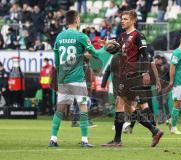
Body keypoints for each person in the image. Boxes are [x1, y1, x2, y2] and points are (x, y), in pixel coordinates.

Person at [101, 10, 163, 147]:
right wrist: (106, 46)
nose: (122, 21)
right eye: (122, 18)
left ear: (133, 20)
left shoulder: (138, 35)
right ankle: (154, 131)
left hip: (132, 75)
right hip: (123, 76)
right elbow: (116, 52)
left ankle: (117, 140)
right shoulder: (122, 36)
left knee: (119, 103)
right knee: (128, 109)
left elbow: (145, 55)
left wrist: (146, 73)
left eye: (126, 19)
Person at [48, 10, 109, 148]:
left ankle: (53, 139)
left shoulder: (59, 37)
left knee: (60, 109)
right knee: (83, 108)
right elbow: (96, 53)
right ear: (76, 20)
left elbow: (57, 61)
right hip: (77, 78)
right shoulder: (81, 36)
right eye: (79, 18)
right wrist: (105, 47)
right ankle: (84, 141)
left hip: (63, 78)